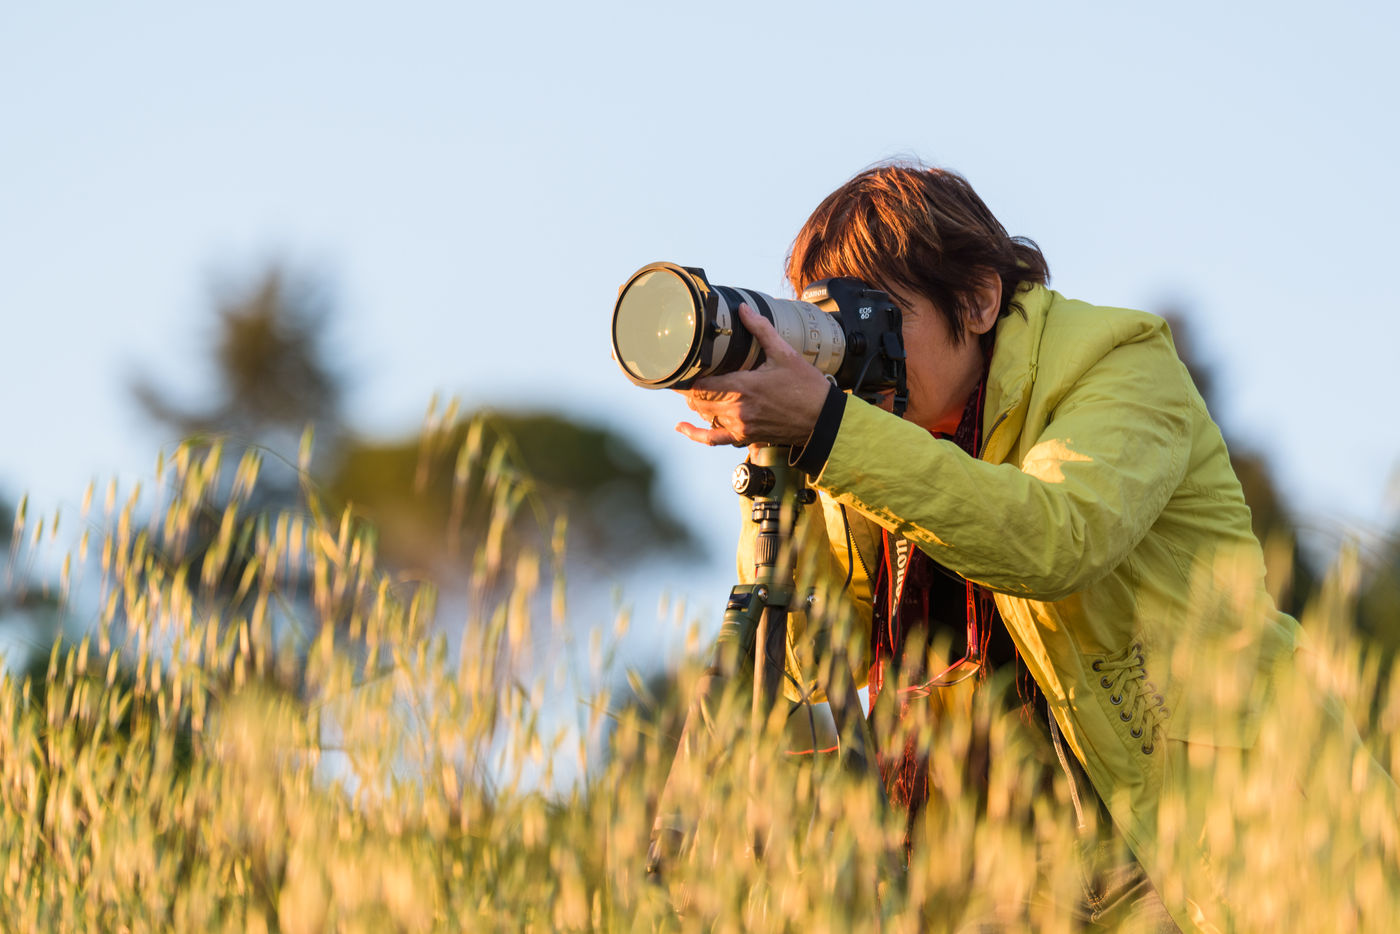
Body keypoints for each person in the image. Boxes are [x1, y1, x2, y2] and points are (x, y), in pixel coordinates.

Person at [672, 163, 1397, 931]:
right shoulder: (864, 443)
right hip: (1005, 870)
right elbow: (808, 672)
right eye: (834, 323)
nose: (860, 348)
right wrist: (781, 463)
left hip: (1226, 844)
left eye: (878, 316)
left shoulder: (1119, 363)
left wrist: (827, 429)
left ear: (981, 299)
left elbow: (1055, 540)